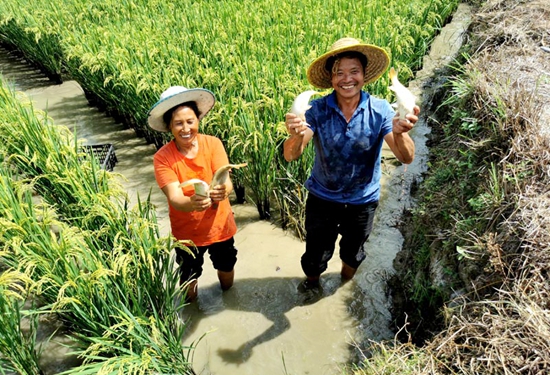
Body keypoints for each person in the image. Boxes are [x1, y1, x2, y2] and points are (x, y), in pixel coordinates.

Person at [283, 37, 420, 292]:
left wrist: (401, 132)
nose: (347, 79)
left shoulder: (380, 110)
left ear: (364, 75)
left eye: (354, 71)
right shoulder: (317, 110)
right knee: (314, 257)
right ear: (331, 78)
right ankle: (312, 285)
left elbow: (406, 158)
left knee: (353, 254)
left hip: (362, 201)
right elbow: (291, 155)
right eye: (340, 73)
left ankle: (343, 288)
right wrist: (294, 133)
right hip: (322, 198)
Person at [148, 86, 238, 302]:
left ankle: (229, 298)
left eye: (190, 121)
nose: (185, 128)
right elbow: (175, 197)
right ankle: (192, 306)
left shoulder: (213, 144)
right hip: (187, 234)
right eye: (178, 123)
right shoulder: (163, 158)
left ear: (198, 120)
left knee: (226, 266)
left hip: (220, 227)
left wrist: (221, 191)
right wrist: (194, 203)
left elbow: (227, 182)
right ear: (170, 126)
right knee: (188, 276)